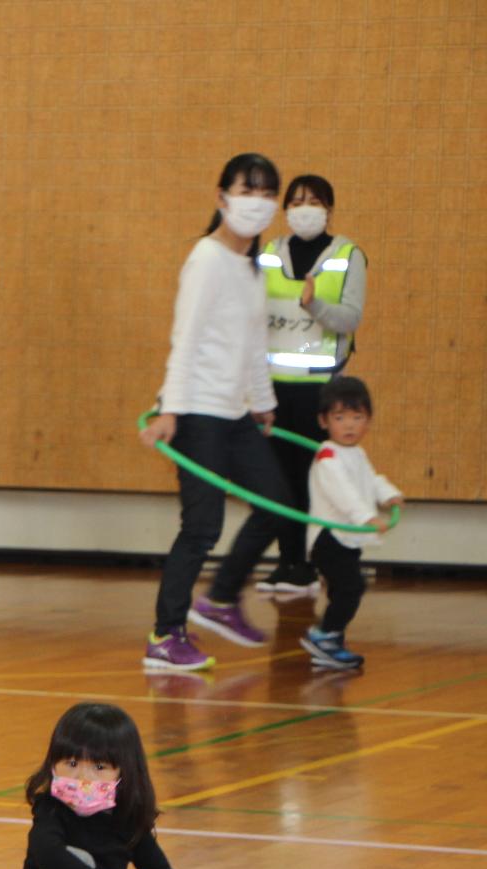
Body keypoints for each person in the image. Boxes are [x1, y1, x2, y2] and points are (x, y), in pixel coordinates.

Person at [138, 152, 286, 672]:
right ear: (222, 197)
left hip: (236, 414)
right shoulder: (206, 257)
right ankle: (165, 634)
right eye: (248, 189)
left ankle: (221, 599)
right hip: (196, 412)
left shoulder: (251, 267)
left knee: (276, 503)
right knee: (202, 527)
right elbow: (188, 337)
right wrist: (170, 411)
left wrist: (263, 405)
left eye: (268, 192)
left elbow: (252, 346)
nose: (258, 201)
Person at [2, 703, 216, 869]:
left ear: (123, 772)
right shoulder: (50, 808)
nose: (82, 777)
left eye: (99, 767)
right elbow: (47, 851)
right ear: (53, 762)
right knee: (77, 858)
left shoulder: (127, 820)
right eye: (71, 763)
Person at [255, 175, 368, 597]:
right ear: (285, 208)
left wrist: (314, 304)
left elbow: (349, 319)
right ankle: (290, 565)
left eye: (315, 201)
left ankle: (321, 564)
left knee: (315, 479)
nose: (305, 209)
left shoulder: (347, 255)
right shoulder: (268, 254)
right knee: (278, 479)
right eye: (297, 201)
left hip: (321, 391)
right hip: (271, 389)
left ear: (329, 208)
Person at [301, 377, 402, 671]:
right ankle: (323, 636)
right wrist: (367, 518)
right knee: (351, 587)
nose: (349, 425)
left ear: (368, 421)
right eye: (340, 417)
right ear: (324, 421)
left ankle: (331, 645)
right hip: (328, 537)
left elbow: (369, 481)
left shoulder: (356, 453)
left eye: (357, 418)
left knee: (341, 589)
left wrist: (388, 495)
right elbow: (343, 494)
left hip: (347, 538)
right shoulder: (328, 457)